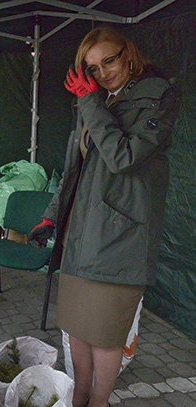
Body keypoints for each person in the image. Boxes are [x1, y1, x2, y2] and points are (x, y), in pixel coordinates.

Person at [28, 27, 179, 407]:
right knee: (77, 329)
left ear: (128, 54)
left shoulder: (156, 94)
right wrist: (51, 216)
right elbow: (74, 171)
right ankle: (80, 394)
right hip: (80, 235)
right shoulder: (97, 101)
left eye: (109, 60)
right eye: (92, 68)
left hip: (119, 237)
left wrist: (91, 102)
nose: (102, 72)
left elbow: (123, 158)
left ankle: (99, 401)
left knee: (105, 335)